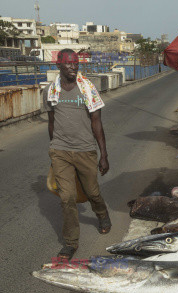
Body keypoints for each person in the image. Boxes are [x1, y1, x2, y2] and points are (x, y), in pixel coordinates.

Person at [43, 49, 111, 260]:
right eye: (69, 63)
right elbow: (51, 122)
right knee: (67, 198)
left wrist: (104, 154)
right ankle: (71, 243)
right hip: (60, 150)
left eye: (76, 63)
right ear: (58, 66)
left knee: (92, 192)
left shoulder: (88, 88)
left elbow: (96, 122)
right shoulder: (50, 91)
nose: (74, 67)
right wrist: (53, 147)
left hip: (85, 150)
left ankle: (102, 215)